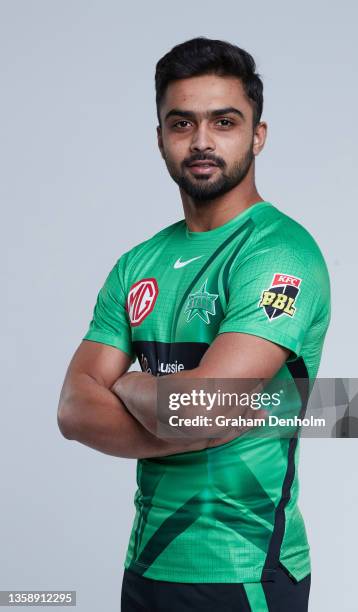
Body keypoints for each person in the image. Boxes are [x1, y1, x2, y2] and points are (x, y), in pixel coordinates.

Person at [57, 37, 331, 612]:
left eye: (224, 121)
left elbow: (206, 404)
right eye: (182, 123)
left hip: (244, 568)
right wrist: (186, 417)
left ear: (257, 135)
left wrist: (130, 386)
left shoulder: (279, 254)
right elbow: (74, 409)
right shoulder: (138, 263)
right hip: (147, 564)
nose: (202, 141)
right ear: (160, 137)